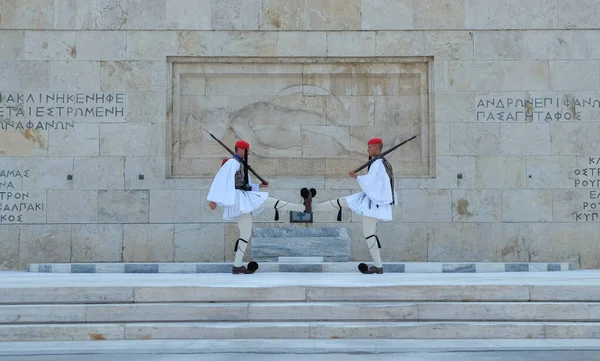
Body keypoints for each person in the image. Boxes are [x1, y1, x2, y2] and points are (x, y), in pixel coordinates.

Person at [207, 139, 309, 274]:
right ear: (241, 149)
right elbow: (220, 179)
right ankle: (302, 208)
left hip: (243, 197)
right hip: (240, 199)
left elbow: (244, 183)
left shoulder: (239, 163)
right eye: (247, 151)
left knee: (245, 233)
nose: (248, 153)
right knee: (269, 201)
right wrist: (213, 200)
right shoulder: (232, 163)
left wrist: (258, 186)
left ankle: (237, 266)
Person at [309, 138, 397, 274]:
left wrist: (357, 177)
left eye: (370, 147)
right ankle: (312, 208)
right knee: (343, 201)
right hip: (371, 198)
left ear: (376, 147)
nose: (367, 149)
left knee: (369, 233)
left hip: (374, 202)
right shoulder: (380, 162)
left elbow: (373, 183)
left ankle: (378, 266)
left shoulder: (378, 163)